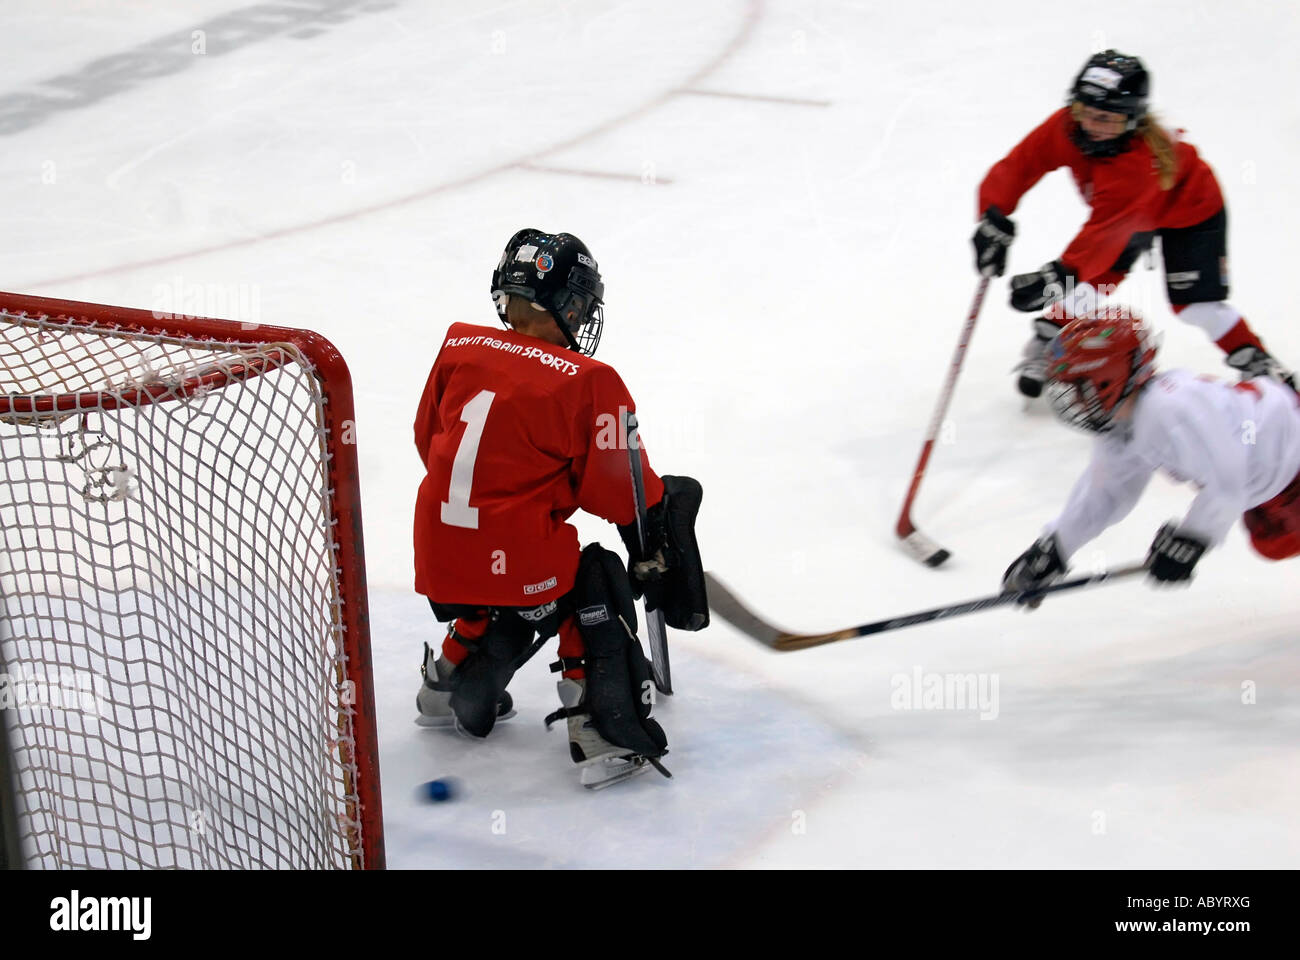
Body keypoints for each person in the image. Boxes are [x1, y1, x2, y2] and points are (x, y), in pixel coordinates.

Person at [412, 227, 707, 788]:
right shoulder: (590, 382)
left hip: (437, 555)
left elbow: (429, 440)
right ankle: (601, 730)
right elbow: (619, 495)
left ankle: (445, 685)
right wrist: (655, 536)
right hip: (519, 563)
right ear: (567, 303)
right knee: (590, 579)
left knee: (496, 579)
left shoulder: (458, 346)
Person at [971, 49, 1294, 398]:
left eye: (1108, 120)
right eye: (1086, 113)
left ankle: (1258, 362)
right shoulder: (1067, 127)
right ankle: (1049, 341)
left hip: (1190, 210)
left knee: (1193, 305)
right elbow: (1018, 166)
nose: (1092, 127)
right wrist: (993, 217)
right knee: (1097, 280)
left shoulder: (1137, 164)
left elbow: (1102, 236)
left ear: (1133, 121)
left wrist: (1056, 277)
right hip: (1126, 216)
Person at [1002, 307, 1300, 604]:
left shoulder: (1168, 408)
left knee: (1279, 538)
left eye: (1078, 388)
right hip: (1278, 478)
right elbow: (1106, 494)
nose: (1071, 400)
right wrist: (1055, 549)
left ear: (1109, 378)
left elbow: (1228, 484)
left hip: (1290, 458)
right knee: (1271, 541)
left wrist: (1191, 539)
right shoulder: (1122, 422)